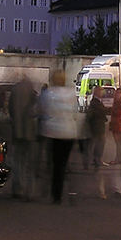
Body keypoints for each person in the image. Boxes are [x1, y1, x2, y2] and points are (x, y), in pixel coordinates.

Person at [38, 71, 87, 204]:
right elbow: (76, 113)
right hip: (68, 132)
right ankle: (70, 192)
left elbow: (42, 111)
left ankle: (56, 194)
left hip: (52, 132)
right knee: (64, 163)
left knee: (55, 163)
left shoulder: (48, 93)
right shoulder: (71, 93)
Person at [8, 76, 38, 201]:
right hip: (29, 131)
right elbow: (36, 111)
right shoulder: (32, 94)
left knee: (17, 161)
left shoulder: (14, 92)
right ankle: (29, 191)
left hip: (17, 130)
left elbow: (10, 109)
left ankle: (17, 187)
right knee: (29, 163)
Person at [85, 86, 109, 168]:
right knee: (99, 143)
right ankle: (96, 160)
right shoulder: (95, 102)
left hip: (98, 125)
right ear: (97, 92)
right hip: (97, 126)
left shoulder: (97, 101)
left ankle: (94, 160)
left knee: (96, 144)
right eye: (101, 91)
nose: (103, 93)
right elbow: (96, 113)